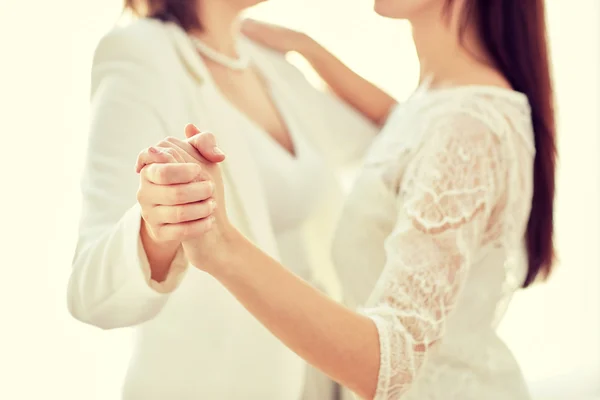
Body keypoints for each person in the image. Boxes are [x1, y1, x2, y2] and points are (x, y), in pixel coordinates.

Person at [136, 0, 557, 398]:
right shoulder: (440, 103)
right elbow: (400, 124)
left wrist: (221, 246)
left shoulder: (466, 126)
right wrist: (309, 50)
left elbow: (390, 364)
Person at [66, 0, 386, 398]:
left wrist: (310, 49)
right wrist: (158, 230)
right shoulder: (141, 54)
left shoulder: (266, 62)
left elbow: (402, 139)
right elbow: (90, 293)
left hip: (324, 379)